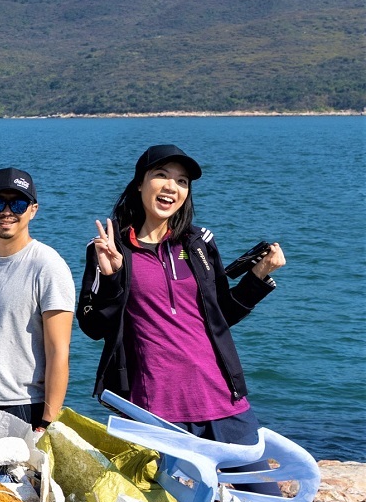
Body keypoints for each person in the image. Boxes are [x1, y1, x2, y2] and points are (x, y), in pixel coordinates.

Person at [80, 144, 286, 433]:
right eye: (161, 175)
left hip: (220, 395)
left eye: (182, 181)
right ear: (140, 183)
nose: (171, 186)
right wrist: (111, 276)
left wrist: (259, 275)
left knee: (257, 479)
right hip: (152, 403)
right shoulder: (110, 246)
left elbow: (222, 314)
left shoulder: (199, 242)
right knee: (162, 480)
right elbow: (92, 326)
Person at [0, 168, 74, 429]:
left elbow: (58, 351)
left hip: (22, 406)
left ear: (33, 210)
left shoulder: (48, 265)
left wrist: (48, 421)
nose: (7, 212)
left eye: (18, 204)